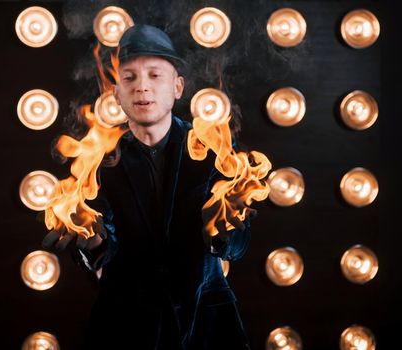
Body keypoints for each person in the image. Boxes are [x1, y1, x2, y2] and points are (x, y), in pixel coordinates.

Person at [42, 24, 256, 350]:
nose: (143, 87)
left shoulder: (215, 151)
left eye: (155, 75)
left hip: (207, 325)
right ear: (116, 92)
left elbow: (237, 247)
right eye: (129, 78)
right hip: (124, 326)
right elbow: (101, 245)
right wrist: (93, 243)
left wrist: (224, 232)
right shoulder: (96, 160)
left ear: (178, 87)